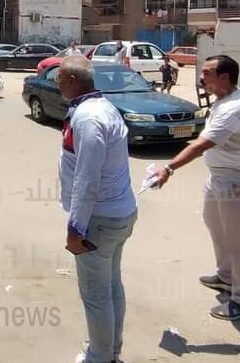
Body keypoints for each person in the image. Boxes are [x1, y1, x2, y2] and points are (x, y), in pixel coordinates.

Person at [153, 55, 240, 321]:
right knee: (215, 227)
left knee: (238, 243)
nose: (201, 78)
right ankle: (226, 277)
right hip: (220, 179)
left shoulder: (234, 108)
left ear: (225, 77)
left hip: (238, 182)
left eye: (207, 73)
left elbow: (201, 144)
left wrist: (169, 168)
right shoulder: (224, 99)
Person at [56, 56, 137, 363]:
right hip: (117, 214)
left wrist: (75, 228)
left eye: (60, 79)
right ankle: (111, 351)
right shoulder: (102, 108)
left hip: (98, 221)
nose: (58, 84)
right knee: (111, 285)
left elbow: (87, 178)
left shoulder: (88, 118)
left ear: (73, 81)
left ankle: (100, 357)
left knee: (96, 295)